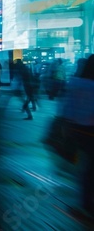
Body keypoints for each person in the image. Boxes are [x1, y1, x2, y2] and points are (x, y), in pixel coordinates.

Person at [59, 55, 94, 220]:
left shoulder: (76, 84)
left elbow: (67, 108)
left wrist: (66, 127)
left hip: (80, 131)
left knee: (85, 167)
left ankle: (86, 203)